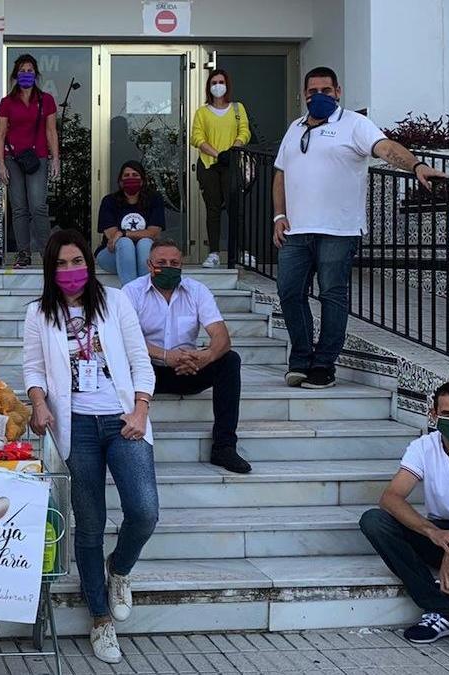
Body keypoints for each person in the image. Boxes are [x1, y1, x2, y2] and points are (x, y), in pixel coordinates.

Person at [23, 228, 157, 664]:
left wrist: (140, 410)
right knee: (90, 520)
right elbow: (34, 368)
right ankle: (100, 618)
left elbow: (139, 359)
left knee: (144, 510)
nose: (69, 271)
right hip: (74, 426)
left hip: (122, 420)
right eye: (60, 264)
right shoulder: (38, 313)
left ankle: (118, 569)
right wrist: (39, 404)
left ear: (89, 261)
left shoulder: (116, 301)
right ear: (50, 268)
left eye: (76, 261)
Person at [273, 66, 445, 389]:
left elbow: (386, 148)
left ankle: (323, 366)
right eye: (313, 91)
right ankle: (300, 360)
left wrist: (417, 165)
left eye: (326, 90)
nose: (319, 96)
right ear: (304, 94)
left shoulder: (354, 124)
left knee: (332, 295)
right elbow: (280, 173)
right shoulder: (294, 128)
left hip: (339, 230)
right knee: (289, 292)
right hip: (296, 231)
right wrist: (278, 216)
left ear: (338, 92)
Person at [359, 381, 449, 657]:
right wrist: (435, 534)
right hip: (438, 531)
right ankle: (439, 609)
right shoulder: (423, 447)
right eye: (448, 414)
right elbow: (391, 497)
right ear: (433, 413)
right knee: (374, 521)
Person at [124, 238, 250, 474]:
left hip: (188, 368)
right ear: (149, 265)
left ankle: (224, 447)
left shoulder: (197, 290)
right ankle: (124, 443)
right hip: (146, 372)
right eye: (162, 262)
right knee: (117, 363)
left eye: (175, 262)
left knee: (229, 360)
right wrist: (165, 355)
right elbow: (125, 339)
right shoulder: (131, 292)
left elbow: (221, 336)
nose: (169, 266)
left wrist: (206, 357)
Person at [0, 54, 60, 269]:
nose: (26, 74)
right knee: (19, 208)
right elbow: (1, 134)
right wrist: (0, 163)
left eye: (30, 70)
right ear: (15, 74)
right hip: (13, 159)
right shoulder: (7, 102)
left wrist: (56, 159)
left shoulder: (46, 99)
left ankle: (46, 252)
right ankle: (23, 252)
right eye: (22, 70)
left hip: (37, 158)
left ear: (36, 74)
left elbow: (51, 131)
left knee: (38, 206)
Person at [191, 69, 251, 268]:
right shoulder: (202, 112)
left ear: (227, 85)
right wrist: (218, 154)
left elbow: (245, 131)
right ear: (209, 87)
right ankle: (214, 253)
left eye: (221, 81)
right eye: (214, 82)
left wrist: (234, 149)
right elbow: (197, 137)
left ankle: (241, 251)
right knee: (213, 210)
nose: (218, 85)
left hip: (232, 165)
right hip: (209, 165)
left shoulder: (237, 108)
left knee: (236, 210)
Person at [96, 160, 164, 286]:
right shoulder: (109, 201)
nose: (131, 178)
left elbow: (153, 234)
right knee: (125, 243)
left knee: (144, 243)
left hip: (145, 255)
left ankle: (140, 293)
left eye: (135, 175)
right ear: (120, 182)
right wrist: (123, 236)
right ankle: (133, 294)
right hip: (112, 255)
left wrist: (123, 233)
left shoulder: (154, 199)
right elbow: (112, 237)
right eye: (126, 176)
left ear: (142, 180)